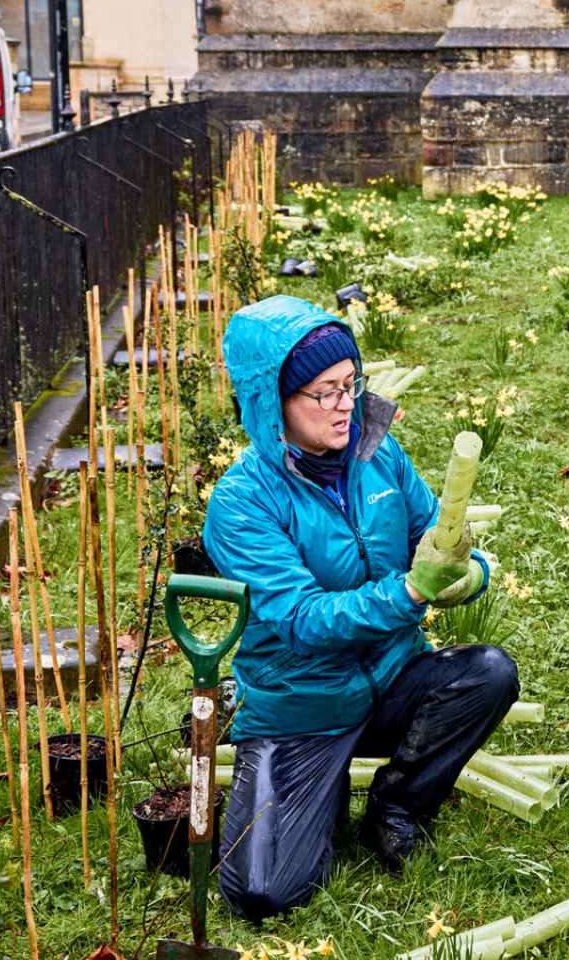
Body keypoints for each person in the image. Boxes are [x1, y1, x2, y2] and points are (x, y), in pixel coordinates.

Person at [202, 295, 519, 920]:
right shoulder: (241, 503)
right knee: (260, 892)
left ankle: (398, 805)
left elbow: (435, 536)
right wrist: (408, 592)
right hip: (303, 707)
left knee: (488, 673)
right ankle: (316, 784)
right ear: (275, 405)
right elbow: (300, 621)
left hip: (394, 678)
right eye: (325, 392)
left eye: (351, 384)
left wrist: (469, 573)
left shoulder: (379, 457)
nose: (347, 405)